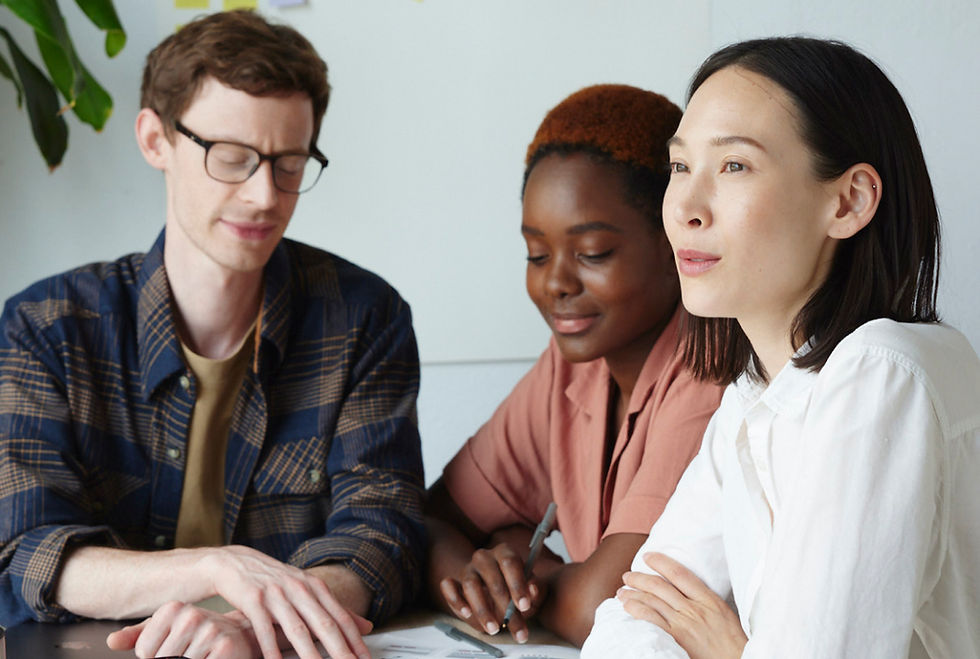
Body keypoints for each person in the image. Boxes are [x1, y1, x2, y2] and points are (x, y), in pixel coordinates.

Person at [0, 10, 425, 659]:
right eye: (232, 158)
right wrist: (216, 568)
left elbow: (381, 534)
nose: (264, 195)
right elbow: (24, 548)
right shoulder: (46, 326)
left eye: (289, 163)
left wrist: (256, 624)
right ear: (155, 139)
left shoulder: (364, 316)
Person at [582, 36, 980, 659]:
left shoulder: (883, 370)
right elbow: (626, 626)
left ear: (848, 201)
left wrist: (731, 651)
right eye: (681, 167)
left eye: (734, 166)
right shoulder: (753, 396)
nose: (685, 205)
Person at [425, 84, 725, 647]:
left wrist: (530, 570)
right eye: (537, 255)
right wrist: (482, 574)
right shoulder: (571, 365)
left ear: (673, 240)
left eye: (592, 254)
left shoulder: (712, 367)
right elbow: (431, 520)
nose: (556, 283)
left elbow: (604, 608)